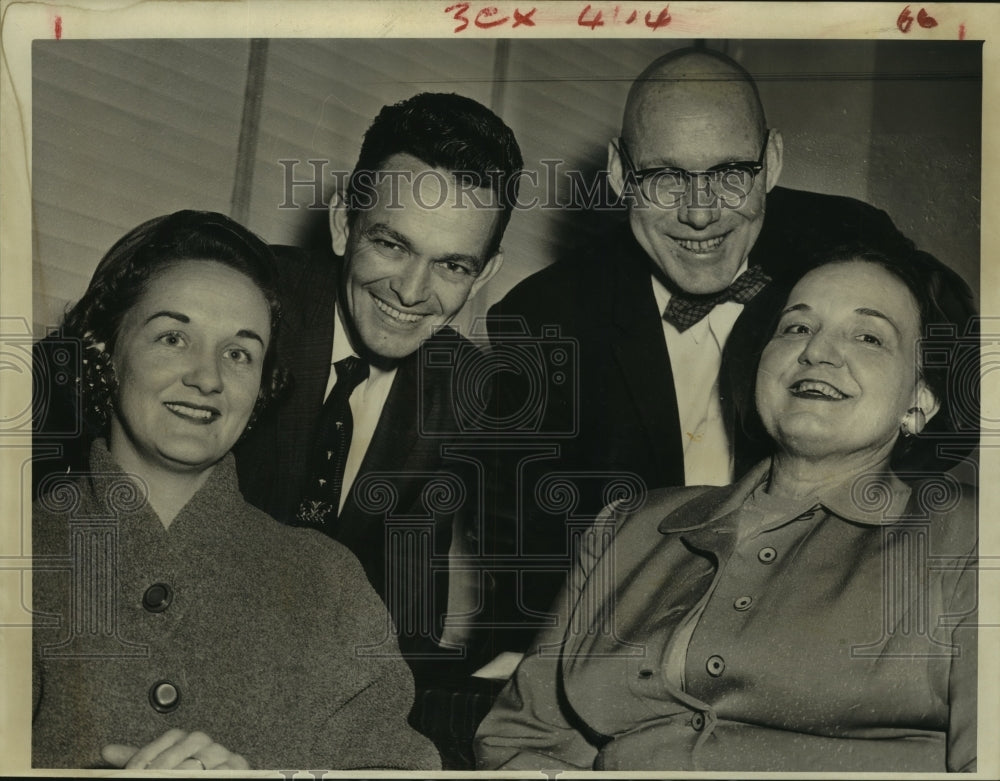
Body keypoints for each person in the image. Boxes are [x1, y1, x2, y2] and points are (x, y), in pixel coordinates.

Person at [475, 244, 978, 772]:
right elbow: (525, 739)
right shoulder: (629, 526)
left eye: (868, 336)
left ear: (920, 400)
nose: (816, 353)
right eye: (796, 328)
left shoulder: (968, 540)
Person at [486, 47, 918, 637]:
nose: (699, 214)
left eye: (729, 174)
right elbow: (529, 573)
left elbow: (952, 414)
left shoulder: (849, 247)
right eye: (664, 177)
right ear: (619, 172)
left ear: (770, 162)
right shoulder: (543, 320)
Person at [32, 211, 440, 770]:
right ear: (108, 353)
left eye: (239, 353)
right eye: (173, 338)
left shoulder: (331, 584)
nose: (208, 377)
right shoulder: (22, 549)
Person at [232, 92, 523, 763]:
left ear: (484, 276)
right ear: (342, 224)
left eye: (453, 264)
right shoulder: (242, 302)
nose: (412, 291)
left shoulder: (463, 391)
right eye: (392, 243)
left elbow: (405, 622)